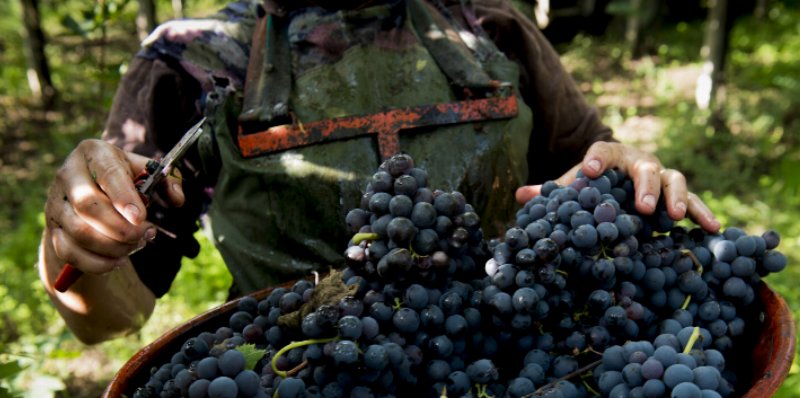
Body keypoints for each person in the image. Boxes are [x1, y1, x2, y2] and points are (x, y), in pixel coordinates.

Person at [39, 0, 720, 345]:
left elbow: (588, 166)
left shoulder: (492, 29)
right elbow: (107, 318)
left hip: (516, 367)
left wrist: (621, 171)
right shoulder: (193, 63)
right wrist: (78, 243)